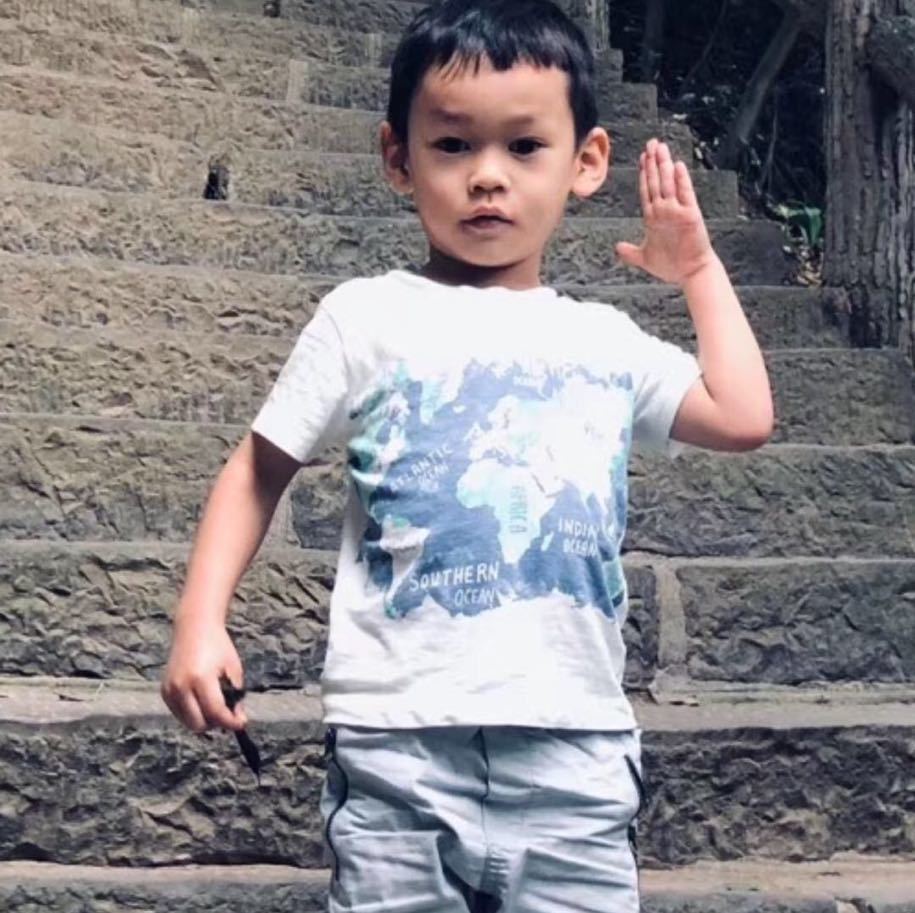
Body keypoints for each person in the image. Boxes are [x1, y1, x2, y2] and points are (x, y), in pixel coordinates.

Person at [160, 0, 774, 909]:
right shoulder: (363, 317)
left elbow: (743, 414)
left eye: (524, 146)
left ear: (585, 161)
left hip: (574, 748)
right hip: (397, 744)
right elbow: (258, 467)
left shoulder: (603, 339)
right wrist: (199, 618)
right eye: (452, 146)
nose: (487, 176)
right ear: (397, 158)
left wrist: (697, 270)